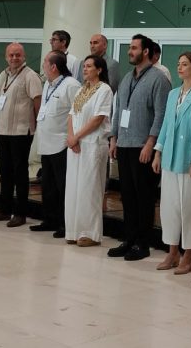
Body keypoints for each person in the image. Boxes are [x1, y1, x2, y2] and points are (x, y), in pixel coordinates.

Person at [108, 34, 171, 261]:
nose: (129, 51)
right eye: (129, 48)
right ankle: (129, 239)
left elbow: (162, 114)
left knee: (143, 197)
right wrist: (114, 138)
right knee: (127, 195)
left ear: (146, 52)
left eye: (134, 48)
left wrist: (151, 143)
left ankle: (143, 243)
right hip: (124, 144)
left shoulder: (159, 79)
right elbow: (118, 108)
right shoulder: (126, 78)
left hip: (143, 146)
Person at [152, 51, 191, 273]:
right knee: (169, 207)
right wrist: (158, 152)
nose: (180, 67)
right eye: (178, 63)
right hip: (170, 157)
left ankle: (189, 254)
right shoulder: (173, 94)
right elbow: (166, 125)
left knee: (189, 208)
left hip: (189, 159)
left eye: (185, 64)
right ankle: (172, 251)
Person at [0, 42, 43, 227]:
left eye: (18, 55)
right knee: (4, 171)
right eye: (11, 55)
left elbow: (37, 103)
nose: (14, 58)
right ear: (6, 57)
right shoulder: (3, 75)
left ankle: (20, 212)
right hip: (3, 131)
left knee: (20, 173)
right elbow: (1, 98)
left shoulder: (31, 76)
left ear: (24, 56)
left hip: (21, 132)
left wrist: (37, 127)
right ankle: (4, 209)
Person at [31, 51, 81, 238]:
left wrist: (73, 137)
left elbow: (77, 113)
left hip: (62, 144)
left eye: (45, 62)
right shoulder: (47, 84)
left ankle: (64, 223)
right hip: (46, 142)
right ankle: (49, 219)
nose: (43, 65)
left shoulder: (71, 85)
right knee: (48, 185)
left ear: (53, 66)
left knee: (62, 187)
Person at [66, 55, 114, 246]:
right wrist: (71, 137)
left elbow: (98, 118)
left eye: (89, 66)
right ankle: (73, 230)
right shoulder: (81, 89)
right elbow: (71, 115)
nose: (84, 69)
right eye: (84, 66)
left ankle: (90, 233)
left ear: (99, 69)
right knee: (74, 187)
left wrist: (77, 136)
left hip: (93, 144)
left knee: (89, 188)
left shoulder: (104, 90)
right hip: (76, 145)